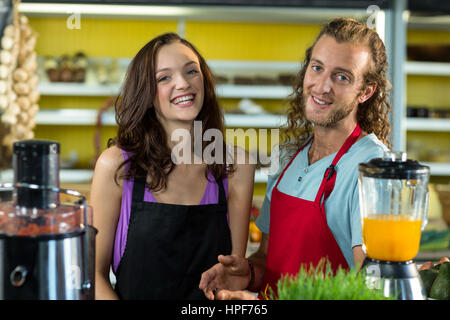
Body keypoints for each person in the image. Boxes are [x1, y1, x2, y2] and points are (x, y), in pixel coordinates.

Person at [199, 17, 392, 300]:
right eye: (317, 68)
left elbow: (372, 290)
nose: (322, 86)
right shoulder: (288, 157)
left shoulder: (372, 167)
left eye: (342, 77)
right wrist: (249, 273)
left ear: (365, 92)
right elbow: (269, 258)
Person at [91, 32, 255, 300]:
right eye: (164, 77)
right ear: (146, 93)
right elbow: (93, 275)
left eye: (192, 71)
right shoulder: (117, 166)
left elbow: (231, 280)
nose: (183, 83)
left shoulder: (236, 166)